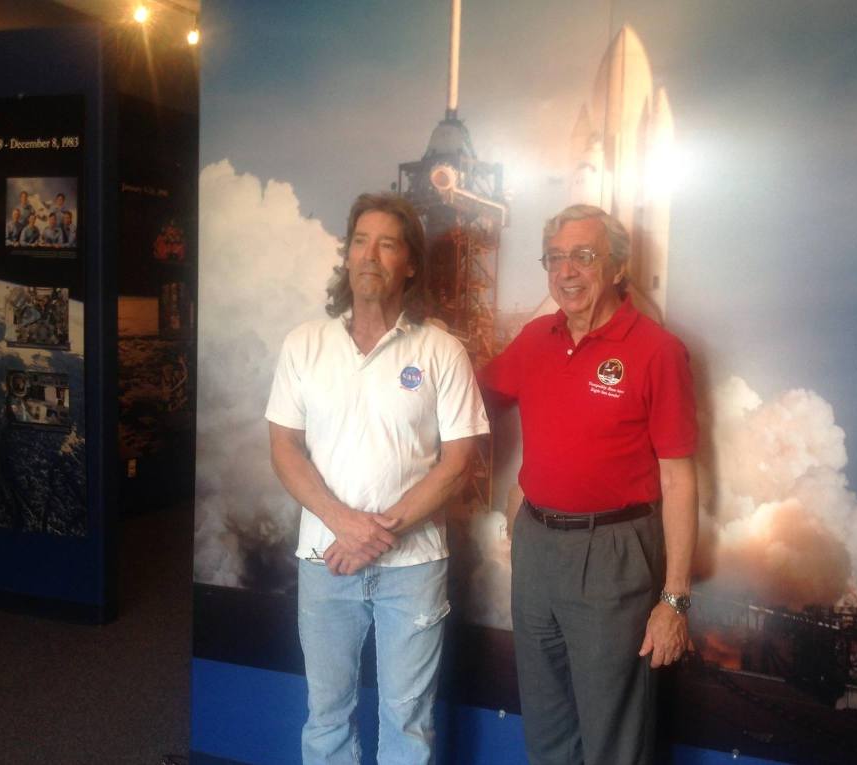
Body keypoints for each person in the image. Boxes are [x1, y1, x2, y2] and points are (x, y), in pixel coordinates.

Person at [265, 192, 489, 764]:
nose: (370, 255)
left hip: (413, 569)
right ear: (347, 255)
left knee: (408, 724)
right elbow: (284, 448)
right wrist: (344, 524)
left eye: (387, 244)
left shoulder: (441, 350)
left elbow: (459, 462)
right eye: (361, 242)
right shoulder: (304, 344)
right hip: (325, 559)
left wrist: (376, 532)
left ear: (409, 263)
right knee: (327, 716)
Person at [479, 204, 698, 765]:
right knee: (547, 727)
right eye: (555, 258)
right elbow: (472, 399)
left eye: (583, 256)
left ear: (618, 267)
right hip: (536, 548)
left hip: (613, 556)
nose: (566, 271)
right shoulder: (536, 338)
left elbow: (678, 478)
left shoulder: (657, 351)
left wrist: (674, 599)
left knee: (613, 738)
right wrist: (418, 359)